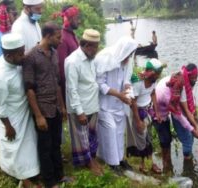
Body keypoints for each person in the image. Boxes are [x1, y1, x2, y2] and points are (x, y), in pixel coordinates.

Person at [23, 22, 70, 188]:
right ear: (48, 36)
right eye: (58, 37)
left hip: (56, 107)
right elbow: (29, 89)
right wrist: (38, 116)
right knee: (45, 147)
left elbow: (57, 82)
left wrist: (62, 106)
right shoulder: (31, 57)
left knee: (56, 143)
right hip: (42, 109)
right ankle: (49, 181)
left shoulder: (54, 53)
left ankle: (60, 175)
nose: (61, 41)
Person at [0, 33, 40, 187]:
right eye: (20, 53)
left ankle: (31, 173)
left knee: (28, 146)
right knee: (16, 149)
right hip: (11, 118)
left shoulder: (14, 62)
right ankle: (24, 180)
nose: (23, 55)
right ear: (8, 55)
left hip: (22, 112)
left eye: (23, 51)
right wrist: (8, 126)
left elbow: (24, 58)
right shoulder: (0, 77)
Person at [94, 37, 138, 175]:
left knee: (120, 132)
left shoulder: (127, 60)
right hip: (105, 104)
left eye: (131, 55)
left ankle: (120, 159)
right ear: (123, 51)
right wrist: (120, 95)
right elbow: (100, 85)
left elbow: (127, 79)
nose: (129, 58)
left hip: (119, 104)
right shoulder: (104, 58)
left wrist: (127, 90)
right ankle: (112, 164)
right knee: (110, 130)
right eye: (128, 55)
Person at [65, 29, 104, 176]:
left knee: (91, 135)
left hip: (92, 104)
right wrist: (79, 112)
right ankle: (88, 163)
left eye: (97, 46)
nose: (96, 50)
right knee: (81, 137)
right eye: (94, 47)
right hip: (80, 107)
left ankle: (92, 158)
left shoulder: (91, 58)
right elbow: (72, 89)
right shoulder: (73, 61)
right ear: (86, 45)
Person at [153, 63, 198, 172]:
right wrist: (192, 128)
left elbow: (189, 98)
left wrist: (194, 117)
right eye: (193, 77)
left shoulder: (180, 81)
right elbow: (178, 115)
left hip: (171, 106)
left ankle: (174, 167)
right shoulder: (169, 94)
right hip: (159, 114)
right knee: (165, 140)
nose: (195, 79)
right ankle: (169, 166)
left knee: (177, 138)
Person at [126, 59, 164, 174]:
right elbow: (133, 102)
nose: (158, 76)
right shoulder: (138, 82)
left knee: (149, 138)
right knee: (141, 140)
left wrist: (157, 112)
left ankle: (151, 163)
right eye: (156, 74)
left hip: (147, 111)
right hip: (137, 112)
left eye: (159, 74)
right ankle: (143, 165)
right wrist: (138, 122)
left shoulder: (153, 81)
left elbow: (153, 94)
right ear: (151, 73)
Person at [54, 5, 80, 106]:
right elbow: (62, 69)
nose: (79, 21)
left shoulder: (71, 34)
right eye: (77, 18)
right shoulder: (63, 38)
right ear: (71, 18)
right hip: (70, 90)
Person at [0, 0, 18, 69]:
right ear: (5, 14)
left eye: (17, 14)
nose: (16, 17)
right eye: (14, 14)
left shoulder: (16, 29)